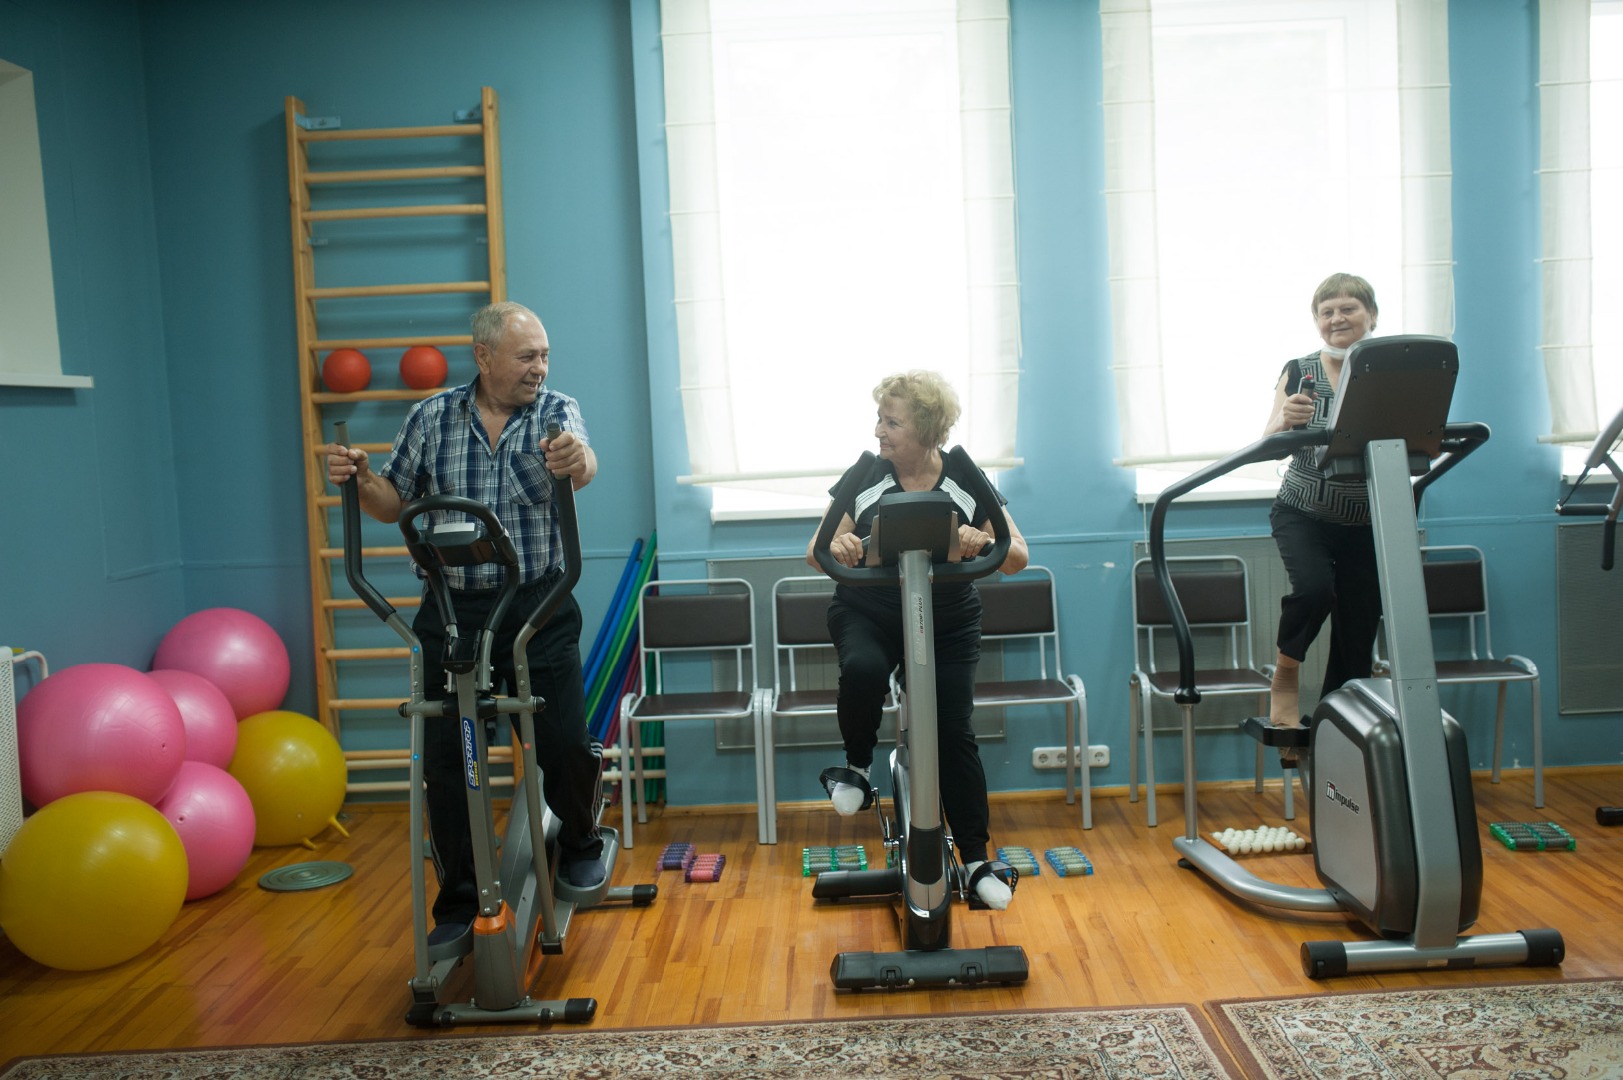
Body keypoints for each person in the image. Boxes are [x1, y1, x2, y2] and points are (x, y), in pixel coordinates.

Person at [326, 300, 605, 953]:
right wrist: (362, 480)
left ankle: (580, 841)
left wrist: (576, 458)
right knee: (448, 760)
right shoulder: (431, 417)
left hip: (537, 605)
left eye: (544, 356)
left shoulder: (556, 412)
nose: (540, 368)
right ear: (483, 356)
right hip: (453, 609)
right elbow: (392, 502)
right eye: (527, 356)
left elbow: (583, 466)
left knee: (564, 740)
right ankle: (457, 898)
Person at [806, 370, 1030, 910]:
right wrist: (842, 545)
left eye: (892, 421)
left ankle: (974, 859)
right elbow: (815, 550)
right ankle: (858, 767)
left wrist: (983, 541)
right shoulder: (866, 474)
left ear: (927, 429)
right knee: (863, 669)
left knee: (953, 731)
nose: (878, 430)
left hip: (947, 620)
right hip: (870, 612)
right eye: (879, 418)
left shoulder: (964, 477)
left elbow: (1018, 555)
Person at [1262, 273, 1383, 743]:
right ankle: (1286, 672)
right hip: (1303, 512)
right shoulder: (1300, 370)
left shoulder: (1389, 371)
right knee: (1314, 591)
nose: (1337, 318)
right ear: (1317, 321)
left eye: (1348, 308)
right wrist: (1284, 421)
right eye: (1327, 311)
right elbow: (1268, 442)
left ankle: (1339, 729)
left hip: (1367, 519)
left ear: (1372, 315)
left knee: (1358, 627)